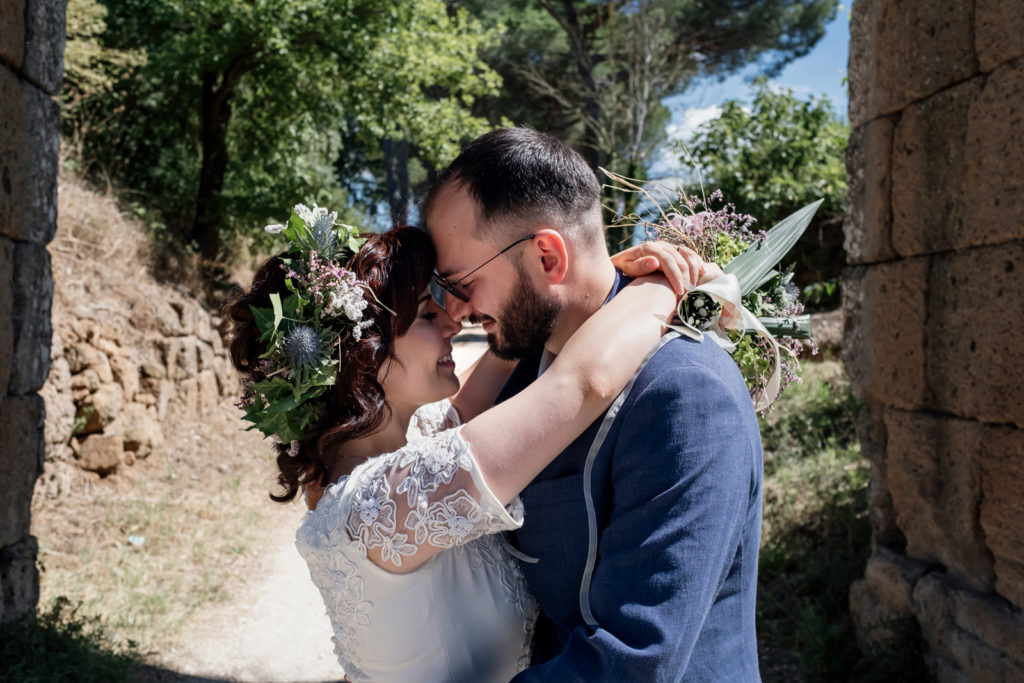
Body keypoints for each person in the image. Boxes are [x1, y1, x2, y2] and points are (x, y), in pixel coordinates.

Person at [226, 223, 704, 682]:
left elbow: (509, 349)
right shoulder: (384, 505)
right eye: (428, 315)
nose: (455, 322)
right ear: (363, 352)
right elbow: (579, 385)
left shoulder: (422, 443)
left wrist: (593, 285)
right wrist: (668, 286)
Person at [424, 127, 764, 681]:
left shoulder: (685, 391)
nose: (456, 312)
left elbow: (633, 659)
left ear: (546, 256)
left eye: (462, 283)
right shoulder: (524, 371)